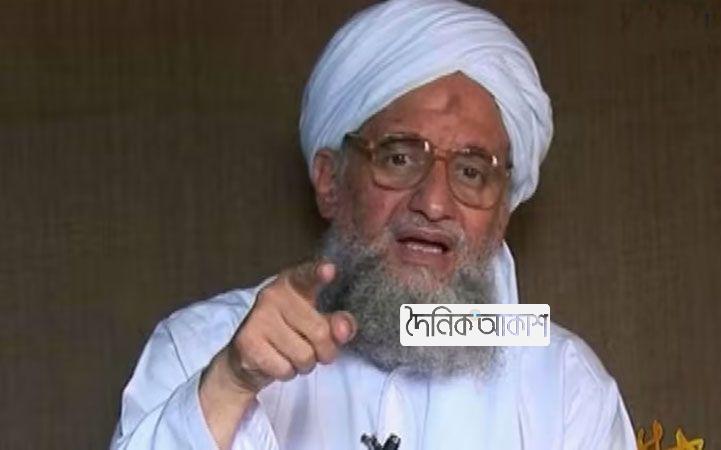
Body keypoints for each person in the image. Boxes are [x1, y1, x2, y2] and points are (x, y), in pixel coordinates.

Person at [110, 0, 637, 449]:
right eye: (400, 158)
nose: (434, 203)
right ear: (330, 181)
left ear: (502, 212)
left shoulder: (565, 384)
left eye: (472, 172)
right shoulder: (200, 347)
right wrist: (231, 384)